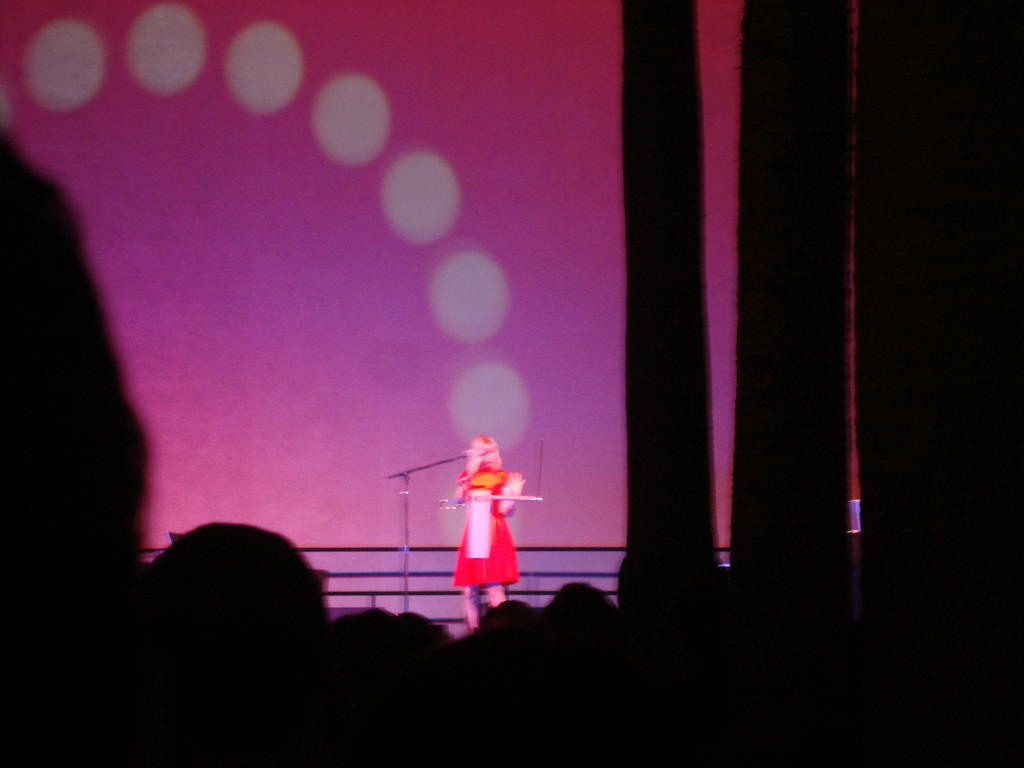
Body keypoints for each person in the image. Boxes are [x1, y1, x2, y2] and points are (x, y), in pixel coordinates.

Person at [452, 436, 525, 630]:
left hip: (493, 532)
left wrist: (514, 494)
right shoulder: (469, 475)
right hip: (474, 530)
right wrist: (469, 472)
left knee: (494, 587)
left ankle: (503, 632)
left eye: (493, 451)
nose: (490, 456)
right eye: (484, 452)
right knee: (469, 589)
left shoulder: (502, 476)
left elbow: (505, 510)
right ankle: (473, 631)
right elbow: (458, 499)